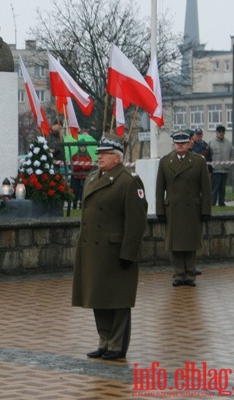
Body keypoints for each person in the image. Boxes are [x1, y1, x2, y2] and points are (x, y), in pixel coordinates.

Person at [71, 133, 147, 361]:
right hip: (93, 250)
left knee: (117, 300)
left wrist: (129, 252)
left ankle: (117, 345)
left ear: (117, 157)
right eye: (99, 153)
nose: (99, 156)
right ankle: (104, 341)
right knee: (98, 298)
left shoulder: (129, 180)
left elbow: (136, 221)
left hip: (116, 251)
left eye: (105, 153)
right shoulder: (93, 178)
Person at [156, 131, 212, 287]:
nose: (180, 146)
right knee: (175, 243)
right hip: (173, 209)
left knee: (191, 242)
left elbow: (206, 189)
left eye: (183, 143)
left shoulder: (198, 161)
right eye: (177, 143)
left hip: (192, 208)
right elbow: (160, 188)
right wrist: (160, 210)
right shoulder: (166, 162)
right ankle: (179, 273)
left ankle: (190, 274)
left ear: (189, 144)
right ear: (173, 144)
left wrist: (206, 210)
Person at [208, 125, 234, 206]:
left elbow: (232, 154)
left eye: (223, 132)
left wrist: (230, 163)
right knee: (214, 188)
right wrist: (211, 167)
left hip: (225, 170)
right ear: (216, 132)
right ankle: (212, 203)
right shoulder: (211, 143)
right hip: (215, 170)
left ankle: (221, 203)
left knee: (222, 189)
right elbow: (209, 156)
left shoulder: (228, 143)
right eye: (219, 131)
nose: (221, 133)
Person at [70, 142, 92, 209]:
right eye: (81, 146)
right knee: (75, 192)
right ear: (79, 147)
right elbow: (72, 167)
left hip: (85, 177)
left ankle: (82, 207)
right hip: (76, 177)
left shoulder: (89, 156)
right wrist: (81, 166)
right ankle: (74, 206)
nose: (82, 148)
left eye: (84, 147)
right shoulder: (74, 156)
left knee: (83, 192)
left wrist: (82, 167)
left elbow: (89, 166)